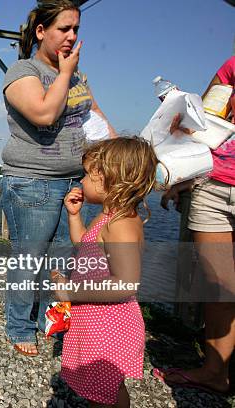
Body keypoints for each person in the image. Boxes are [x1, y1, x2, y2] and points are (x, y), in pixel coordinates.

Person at [0, 0, 116, 357]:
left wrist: (119, 155)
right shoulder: (23, 71)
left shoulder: (80, 77)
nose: (71, 37)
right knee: (30, 259)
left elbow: (95, 116)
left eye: (76, 29)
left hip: (74, 181)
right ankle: (19, 325)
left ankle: (49, 320)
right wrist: (65, 73)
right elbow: (44, 113)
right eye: (63, 29)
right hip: (32, 182)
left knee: (64, 261)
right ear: (41, 32)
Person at [52, 137, 156, 407]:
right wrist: (74, 216)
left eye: (88, 174)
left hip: (109, 326)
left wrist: (70, 291)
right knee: (105, 391)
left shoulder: (121, 224)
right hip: (97, 320)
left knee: (102, 394)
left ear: (111, 179)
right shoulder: (108, 216)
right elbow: (84, 243)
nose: (82, 181)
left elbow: (125, 283)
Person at [154, 56, 235, 395]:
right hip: (214, 183)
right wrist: (181, 173)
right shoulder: (232, 64)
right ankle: (216, 371)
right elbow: (200, 122)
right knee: (217, 286)